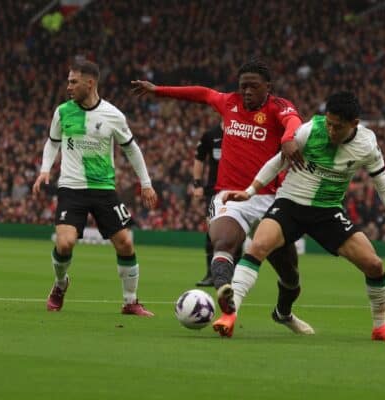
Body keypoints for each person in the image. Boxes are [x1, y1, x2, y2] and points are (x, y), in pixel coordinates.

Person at [217, 92, 385, 342]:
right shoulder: (310, 131)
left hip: (328, 211)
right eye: (328, 123)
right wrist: (250, 191)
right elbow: (278, 162)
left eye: (337, 127)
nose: (330, 130)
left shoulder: (367, 144)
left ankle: (380, 328)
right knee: (258, 246)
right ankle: (229, 315)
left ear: (354, 124)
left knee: (374, 265)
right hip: (290, 204)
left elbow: (383, 185)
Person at [131, 59, 307, 331]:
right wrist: (158, 90)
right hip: (229, 195)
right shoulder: (229, 102)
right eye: (243, 86)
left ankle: (283, 313)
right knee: (222, 241)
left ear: (267, 87)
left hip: (271, 199)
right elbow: (201, 93)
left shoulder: (278, 107)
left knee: (290, 276)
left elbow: (293, 120)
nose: (247, 91)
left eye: (253, 86)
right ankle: (226, 293)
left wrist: (288, 138)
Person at [32, 60, 158, 316]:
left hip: (103, 188)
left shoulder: (113, 115)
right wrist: (45, 169)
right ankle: (60, 285)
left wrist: (146, 183)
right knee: (65, 243)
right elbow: (52, 143)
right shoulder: (63, 112)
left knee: (124, 243)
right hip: (71, 187)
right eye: (68, 81)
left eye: (73, 82)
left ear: (90, 83)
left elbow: (131, 149)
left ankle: (130, 301)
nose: (68, 87)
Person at [192, 122, 223, 287]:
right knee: (212, 231)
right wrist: (197, 184)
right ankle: (211, 274)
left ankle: (234, 275)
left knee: (238, 233)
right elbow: (199, 158)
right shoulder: (211, 134)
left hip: (237, 190)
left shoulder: (243, 131)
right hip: (214, 191)